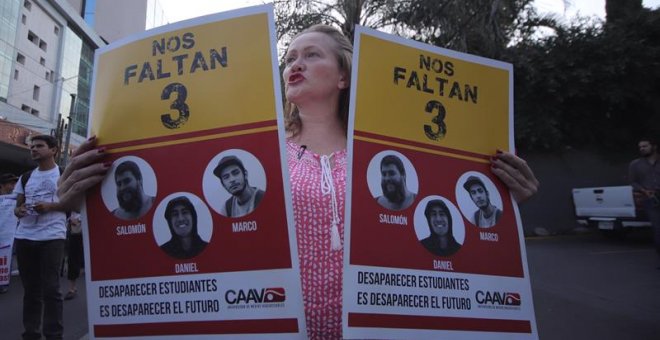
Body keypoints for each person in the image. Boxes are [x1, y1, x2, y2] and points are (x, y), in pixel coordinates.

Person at [56, 24, 540, 340]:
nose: (295, 64)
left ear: (345, 77)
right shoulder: (258, 152)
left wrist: (507, 200)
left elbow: (462, 229)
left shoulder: (394, 153)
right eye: (290, 58)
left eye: (311, 55)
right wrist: (85, 202)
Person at [13, 135, 69, 340]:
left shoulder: (63, 175)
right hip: (25, 236)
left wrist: (50, 207)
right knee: (31, 290)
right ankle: (31, 333)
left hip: (52, 236)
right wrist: (19, 210)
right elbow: (17, 207)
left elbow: (73, 203)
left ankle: (54, 334)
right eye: (32, 147)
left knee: (51, 289)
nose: (33, 149)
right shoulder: (26, 177)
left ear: (54, 150)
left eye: (39, 146)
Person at [628, 137, 660, 265]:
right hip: (651, 199)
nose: (642, 149)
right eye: (640, 147)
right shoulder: (635, 164)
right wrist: (644, 190)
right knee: (658, 229)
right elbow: (633, 182)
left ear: (654, 146)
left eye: (645, 146)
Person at [0, 173, 19, 294]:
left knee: (6, 257)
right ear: (1, 185)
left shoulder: (15, 199)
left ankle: (3, 283)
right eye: (10, 184)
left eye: (14, 184)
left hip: (8, 235)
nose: (13, 187)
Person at [64, 212, 83, 300]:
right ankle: (72, 288)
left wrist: (80, 219)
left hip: (91, 225)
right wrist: (70, 220)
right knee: (73, 258)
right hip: (75, 230)